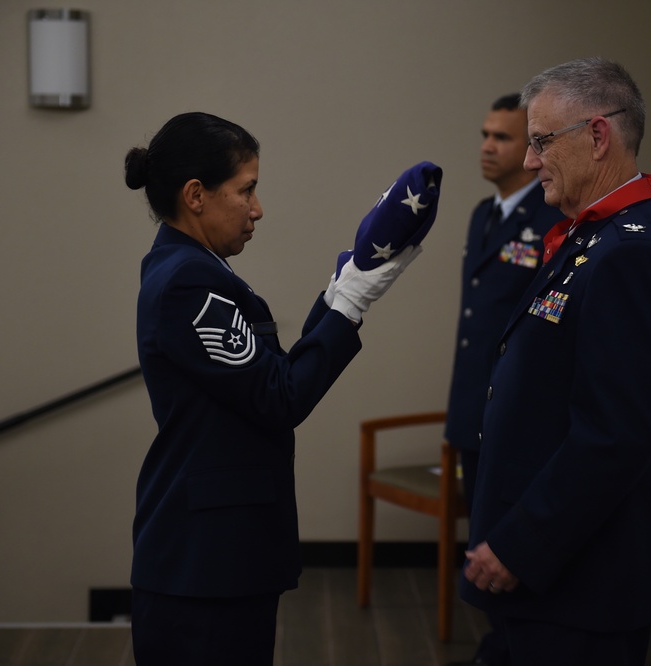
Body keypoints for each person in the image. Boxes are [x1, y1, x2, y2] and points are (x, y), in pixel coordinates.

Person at [125, 111, 439, 665]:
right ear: (195, 194)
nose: (257, 209)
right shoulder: (187, 281)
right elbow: (280, 397)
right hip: (205, 567)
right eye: (246, 190)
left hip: (218, 559)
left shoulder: (195, 267)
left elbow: (268, 376)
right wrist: (351, 303)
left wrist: (341, 288)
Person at [457, 58, 651, 665]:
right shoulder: (592, 236)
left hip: (581, 584)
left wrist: (519, 543)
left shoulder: (629, 253)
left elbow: (615, 435)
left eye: (540, 142)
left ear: (597, 136)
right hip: (554, 580)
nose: (530, 161)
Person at [443, 93, 562, 666]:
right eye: (485, 134)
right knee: (481, 534)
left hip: (516, 416)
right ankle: (503, 642)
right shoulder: (482, 215)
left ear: (533, 148)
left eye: (505, 137)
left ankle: (514, 646)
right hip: (474, 406)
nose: (488, 147)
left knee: (511, 543)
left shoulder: (552, 219)